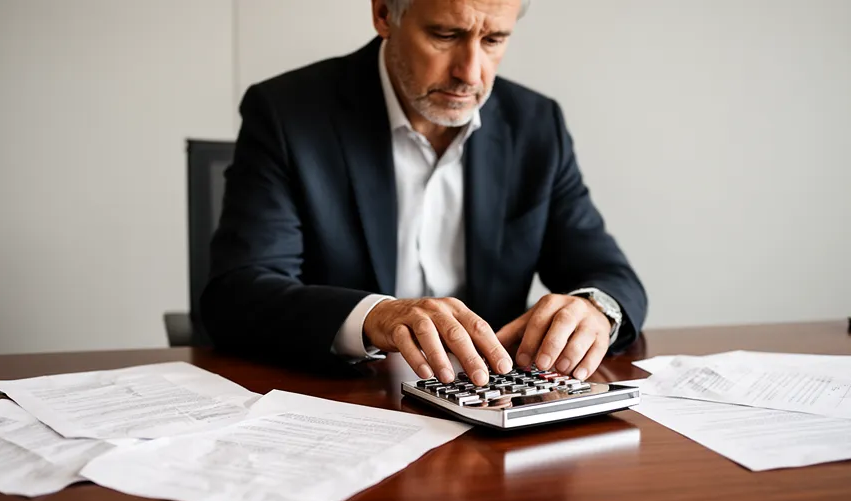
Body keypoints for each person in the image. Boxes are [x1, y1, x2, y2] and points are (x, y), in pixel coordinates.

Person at [201, 0, 647, 387]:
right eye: (446, 34)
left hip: (490, 406)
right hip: (347, 401)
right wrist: (376, 318)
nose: (469, 73)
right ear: (383, 15)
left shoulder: (535, 124)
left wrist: (593, 311)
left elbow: (610, 274)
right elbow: (239, 294)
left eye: (493, 40)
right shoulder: (286, 113)